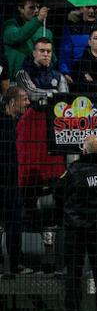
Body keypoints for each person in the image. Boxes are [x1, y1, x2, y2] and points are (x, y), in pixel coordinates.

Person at [54, 134, 97, 311]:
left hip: (77, 228)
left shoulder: (74, 171)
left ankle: (73, 310)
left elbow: (58, 193)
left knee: (74, 269)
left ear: (84, 150)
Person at [1, 87, 30, 277]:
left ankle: (16, 264)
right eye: (24, 99)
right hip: (2, 183)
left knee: (16, 224)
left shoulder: (19, 122)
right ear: (12, 103)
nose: (28, 102)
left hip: (14, 184)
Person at [4, 0, 52, 77]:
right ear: (20, 9)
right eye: (31, 7)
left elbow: (52, 57)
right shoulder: (10, 26)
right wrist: (38, 19)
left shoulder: (45, 31)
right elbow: (19, 36)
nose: (36, 10)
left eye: (37, 7)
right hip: (14, 79)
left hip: (36, 78)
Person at [14, 37, 69, 103]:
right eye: (42, 51)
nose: (46, 54)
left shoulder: (59, 76)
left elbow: (65, 98)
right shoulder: (22, 73)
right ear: (34, 53)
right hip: (30, 112)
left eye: (48, 51)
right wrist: (53, 93)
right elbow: (31, 94)